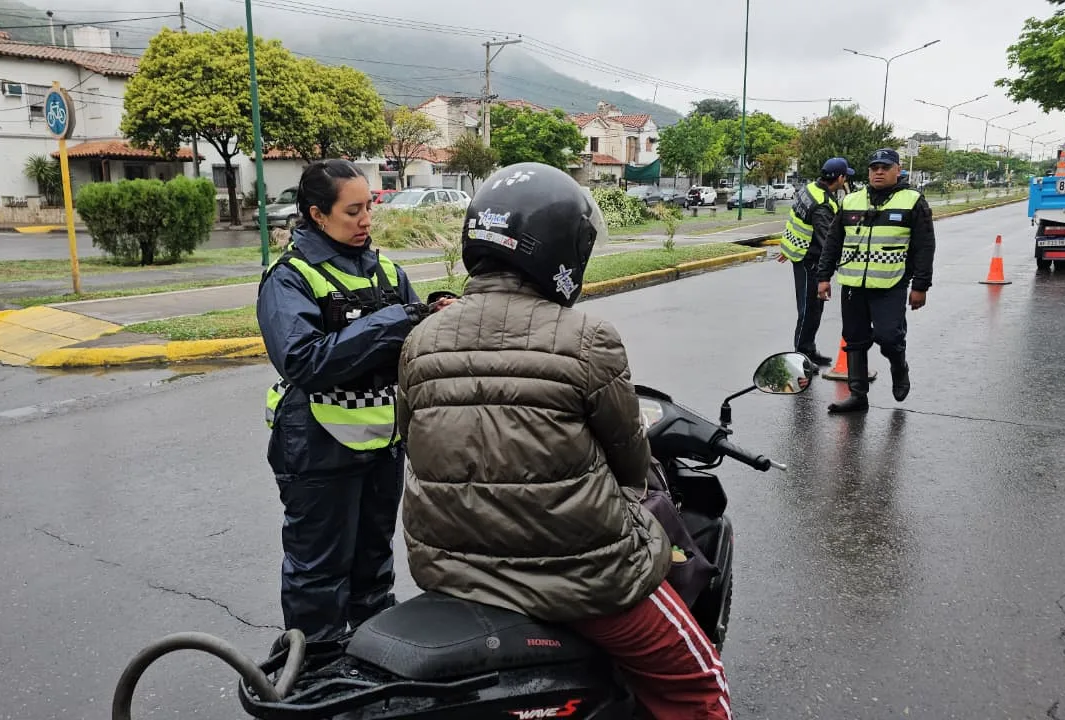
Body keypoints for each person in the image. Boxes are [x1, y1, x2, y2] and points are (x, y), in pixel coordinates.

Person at [396, 162, 732, 720]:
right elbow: (630, 461)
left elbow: (415, 439)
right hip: (580, 575)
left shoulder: (422, 338)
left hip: (451, 567)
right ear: (558, 248)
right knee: (697, 685)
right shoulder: (586, 337)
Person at [256, 159, 453, 641]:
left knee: (374, 563)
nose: (366, 220)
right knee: (318, 572)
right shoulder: (289, 278)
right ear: (317, 215)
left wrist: (433, 314)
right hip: (318, 447)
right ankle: (315, 672)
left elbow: (411, 343)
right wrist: (397, 321)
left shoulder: (386, 269)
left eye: (370, 207)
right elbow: (304, 361)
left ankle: (373, 663)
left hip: (383, 445)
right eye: (353, 211)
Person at [817, 149, 936, 414]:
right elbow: (833, 242)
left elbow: (924, 246)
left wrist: (920, 286)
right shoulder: (851, 201)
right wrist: (823, 277)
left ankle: (899, 366)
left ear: (898, 170)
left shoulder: (913, 201)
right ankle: (858, 395)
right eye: (874, 167)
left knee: (889, 337)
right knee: (854, 339)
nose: (879, 172)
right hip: (853, 285)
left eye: (885, 167)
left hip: (890, 284)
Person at [776, 157, 854, 365]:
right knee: (809, 310)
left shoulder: (810, 188)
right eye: (845, 177)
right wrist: (836, 267)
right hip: (808, 260)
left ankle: (808, 349)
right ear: (840, 178)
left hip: (799, 254)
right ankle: (801, 356)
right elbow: (827, 241)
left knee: (813, 309)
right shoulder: (822, 205)